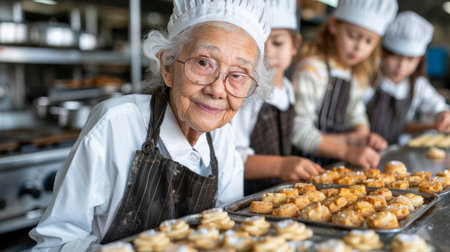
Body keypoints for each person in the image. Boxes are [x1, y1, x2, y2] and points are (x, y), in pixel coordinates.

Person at [29, 0, 272, 250]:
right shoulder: (116, 125)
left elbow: (225, 231)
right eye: (203, 63)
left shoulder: (223, 138)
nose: (217, 90)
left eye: (238, 75)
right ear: (167, 66)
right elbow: (53, 244)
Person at [230, 0, 323, 196]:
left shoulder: (288, 89)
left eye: (277, 42)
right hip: (250, 196)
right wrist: (281, 166)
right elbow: (233, 160)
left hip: (279, 192)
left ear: (295, 45)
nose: (268, 52)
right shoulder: (247, 93)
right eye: (258, 44)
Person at [291, 0, 395, 169]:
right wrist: (347, 151)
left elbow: (355, 114)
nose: (358, 46)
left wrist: (364, 135)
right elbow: (298, 132)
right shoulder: (311, 69)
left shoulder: (354, 74)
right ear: (333, 25)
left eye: (369, 41)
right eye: (353, 36)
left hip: (334, 167)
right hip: (306, 167)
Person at [364, 11, 450, 144]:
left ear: (419, 61)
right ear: (383, 53)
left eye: (410, 59)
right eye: (396, 56)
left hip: (398, 149)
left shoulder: (417, 85)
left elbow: (437, 105)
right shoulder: (368, 81)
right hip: (365, 147)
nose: (401, 65)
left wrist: (443, 113)